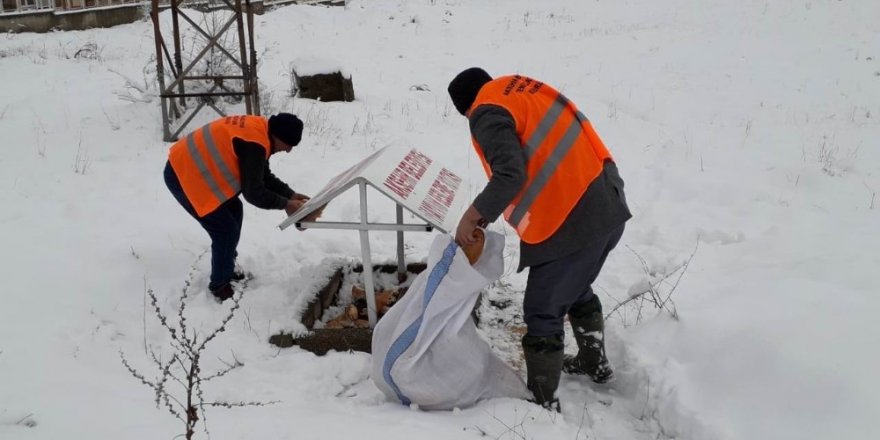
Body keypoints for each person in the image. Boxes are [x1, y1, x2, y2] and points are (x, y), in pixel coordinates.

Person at [447, 68, 631, 411]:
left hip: (573, 217)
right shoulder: (518, 90)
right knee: (575, 288)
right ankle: (595, 364)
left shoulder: (485, 113)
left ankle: (541, 403)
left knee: (542, 309)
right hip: (607, 198)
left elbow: (509, 174)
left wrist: (472, 216)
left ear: (465, 109)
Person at [164, 113, 309, 302]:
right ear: (277, 136)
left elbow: (261, 175)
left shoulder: (259, 131)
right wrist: (286, 204)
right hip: (183, 175)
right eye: (288, 144)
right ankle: (220, 286)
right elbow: (254, 193)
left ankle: (227, 268)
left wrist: (289, 194)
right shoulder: (254, 144)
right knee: (225, 230)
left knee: (234, 210)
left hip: (193, 169)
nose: (288, 150)